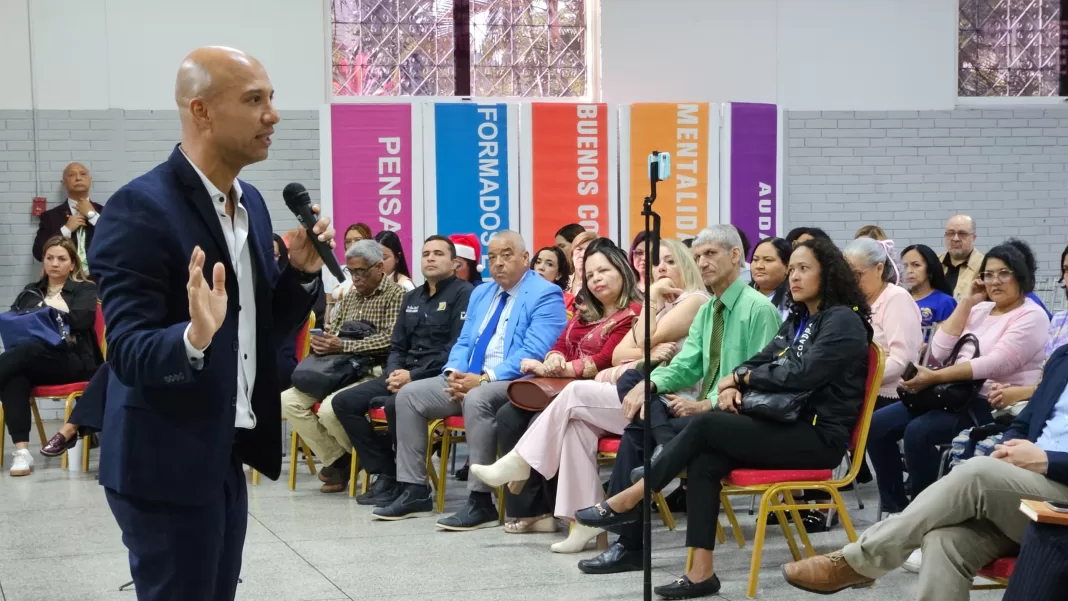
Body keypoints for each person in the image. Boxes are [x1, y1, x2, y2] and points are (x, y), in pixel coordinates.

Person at [88, 47, 335, 601]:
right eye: (254, 100)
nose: (272, 115)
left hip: (222, 449)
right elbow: (126, 351)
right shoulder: (139, 209)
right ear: (200, 111)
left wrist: (297, 277)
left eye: (272, 99)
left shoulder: (251, 206)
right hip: (165, 460)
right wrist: (192, 337)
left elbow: (257, 333)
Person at [577, 238, 873, 598]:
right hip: (783, 424)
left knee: (707, 423)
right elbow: (762, 359)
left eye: (803, 269)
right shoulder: (801, 318)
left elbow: (803, 374)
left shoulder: (843, 321)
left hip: (817, 439)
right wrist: (735, 379)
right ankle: (701, 572)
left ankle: (635, 493)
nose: (793, 276)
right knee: (704, 459)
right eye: (792, 269)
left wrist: (742, 379)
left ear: (828, 274)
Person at [781, 342, 1068, 601]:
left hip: (1060, 490)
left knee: (977, 472)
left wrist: (1046, 460)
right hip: (1027, 488)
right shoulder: (1063, 357)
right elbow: (1024, 422)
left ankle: (859, 561)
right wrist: (1007, 448)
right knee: (943, 541)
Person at [472, 239, 707, 552]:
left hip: (667, 401)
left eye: (670, 261)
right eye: (656, 263)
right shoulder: (659, 305)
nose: (661, 269)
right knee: (575, 427)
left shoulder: (692, 299)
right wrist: (639, 351)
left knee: (575, 392)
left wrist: (646, 318)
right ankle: (584, 523)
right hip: (635, 395)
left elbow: (640, 344)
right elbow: (623, 351)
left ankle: (522, 460)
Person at [575, 226, 782, 577]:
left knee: (636, 431)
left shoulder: (758, 309)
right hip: (701, 413)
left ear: (735, 256)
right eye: (698, 256)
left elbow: (758, 378)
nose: (702, 262)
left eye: (711, 254)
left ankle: (630, 543)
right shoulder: (709, 310)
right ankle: (662, 456)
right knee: (635, 397)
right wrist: (650, 383)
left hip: (738, 416)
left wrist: (708, 403)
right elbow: (686, 367)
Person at [372, 230, 566, 527]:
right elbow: (464, 342)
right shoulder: (481, 293)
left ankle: (480, 501)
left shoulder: (545, 294)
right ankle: (414, 490)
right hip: (468, 377)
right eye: (492, 258)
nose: (498, 263)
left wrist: (484, 379)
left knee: (478, 397)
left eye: (506, 255)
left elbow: (534, 351)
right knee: (408, 395)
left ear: (525, 258)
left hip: (512, 380)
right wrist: (453, 374)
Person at [869, 239, 1050, 520]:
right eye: (988, 274)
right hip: (947, 393)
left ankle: (925, 515)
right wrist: (966, 301)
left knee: (918, 433)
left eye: (1004, 273)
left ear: (1021, 276)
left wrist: (932, 378)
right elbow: (940, 350)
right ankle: (895, 509)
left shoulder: (1032, 315)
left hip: (989, 402)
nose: (995, 281)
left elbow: (995, 363)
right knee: (877, 425)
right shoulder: (978, 310)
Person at [482, 238, 642, 536]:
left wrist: (559, 368)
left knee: (546, 415)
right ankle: (569, 520)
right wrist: (554, 357)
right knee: (510, 414)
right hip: (568, 391)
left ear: (622, 270)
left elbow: (606, 358)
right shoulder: (587, 312)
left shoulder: (633, 313)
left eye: (604, 271)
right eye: (591, 274)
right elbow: (560, 342)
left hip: (603, 394)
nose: (596, 280)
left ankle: (521, 463)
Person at [332, 236, 472, 507]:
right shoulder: (412, 297)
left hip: (435, 377)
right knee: (344, 402)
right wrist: (396, 371)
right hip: (403, 374)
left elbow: (456, 348)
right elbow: (397, 345)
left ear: (454, 263)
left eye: (438, 254)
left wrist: (412, 377)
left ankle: (408, 482)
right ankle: (386, 471)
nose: (430, 258)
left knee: (397, 403)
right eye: (425, 253)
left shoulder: (464, 295)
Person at [280, 240, 405, 493]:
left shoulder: (397, 295)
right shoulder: (349, 297)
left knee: (329, 410)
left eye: (361, 271)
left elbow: (391, 340)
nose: (355, 278)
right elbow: (334, 330)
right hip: (337, 368)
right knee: (287, 400)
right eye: (351, 272)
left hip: (371, 369)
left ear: (379, 266)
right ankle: (341, 458)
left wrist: (342, 346)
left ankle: (360, 461)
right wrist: (325, 340)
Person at [3, 237, 101, 475]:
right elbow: (15, 323)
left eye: (61, 259)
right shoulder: (30, 291)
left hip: (73, 360)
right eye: (50, 258)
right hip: (35, 361)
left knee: (28, 350)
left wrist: (49, 312)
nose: (54, 263)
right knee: (13, 378)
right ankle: (22, 453)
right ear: (43, 262)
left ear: (72, 264)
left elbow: (83, 320)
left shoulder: (85, 289)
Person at [844, 238, 923, 410]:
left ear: (879, 269)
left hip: (891, 395)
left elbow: (902, 361)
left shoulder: (896, 298)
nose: (851, 282)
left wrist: (858, 378)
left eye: (857, 274)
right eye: (846, 275)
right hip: (858, 389)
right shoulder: (855, 302)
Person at [32, 163, 105, 274]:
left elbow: (119, 244)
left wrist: (92, 216)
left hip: (99, 281)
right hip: (64, 281)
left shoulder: (106, 213)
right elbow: (39, 253)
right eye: (71, 175)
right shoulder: (50, 216)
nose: (78, 178)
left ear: (90, 180)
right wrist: (66, 229)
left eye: (83, 174)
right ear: (64, 183)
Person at [901, 243, 957, 339]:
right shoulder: (899, 299)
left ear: (930, 269)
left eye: (916, 265)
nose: (909, 270)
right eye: (905, 266)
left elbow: (950, 339)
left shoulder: (945, 302)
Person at [940, 214, 983, 300]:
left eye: (962, 234)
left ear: (973, 237)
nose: (955, 239)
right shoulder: (934, 263)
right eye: (950, 233)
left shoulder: (984, 266)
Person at [327, 223, 374, 302]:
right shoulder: (336, 272)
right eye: (348, 241)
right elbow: (329, 305)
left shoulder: (375, 272)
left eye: (358, 240)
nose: (352, 245)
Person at [749, 237, 792, 319]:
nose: (759, 266)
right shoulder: (742, 296)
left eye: (768, 260)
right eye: (755, 259)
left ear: (787, 267)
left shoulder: (795, 300)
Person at [566, 231, 597, 313]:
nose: (583, 254)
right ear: (572, 255)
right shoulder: (562, 283)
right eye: (579, 249)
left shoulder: (598, 284)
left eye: (589, 250)